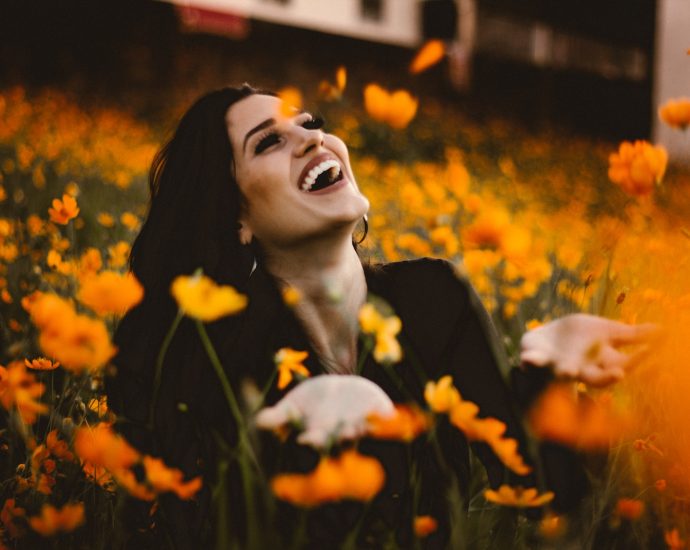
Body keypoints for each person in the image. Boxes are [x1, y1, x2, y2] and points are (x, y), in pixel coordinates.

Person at [107, 85, 652, 549]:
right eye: (270, 141)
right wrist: (285, 449)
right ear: (238, 220)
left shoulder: (435, 298)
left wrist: (546, 374)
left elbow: (547, 498)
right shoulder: (228, 364)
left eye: (309, 124)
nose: (313, 138)